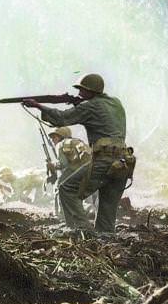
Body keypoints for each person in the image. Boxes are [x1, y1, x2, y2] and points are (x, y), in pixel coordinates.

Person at [22, 73, 133, 232]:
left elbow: (61, 119)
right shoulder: (116, 103)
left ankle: (81, 231)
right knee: (107, 207)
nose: (79, 93)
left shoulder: (89, 106)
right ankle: (105, 238)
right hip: (124, 161)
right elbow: (101, 117)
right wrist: (78, 105)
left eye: (82, 89)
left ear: (90, 91)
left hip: (104, 160)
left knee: (66, 189)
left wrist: (38, 105)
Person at [47, 126, 94, 215]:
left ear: (61, 136)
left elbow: (63, 164)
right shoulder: (77, 141)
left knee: (59, 187)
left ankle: (60, 215)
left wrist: (53, 165)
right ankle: (89, 210)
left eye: (54, 137)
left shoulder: (61, 145)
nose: (53, 140)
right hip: (90, 169)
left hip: (76, 170)